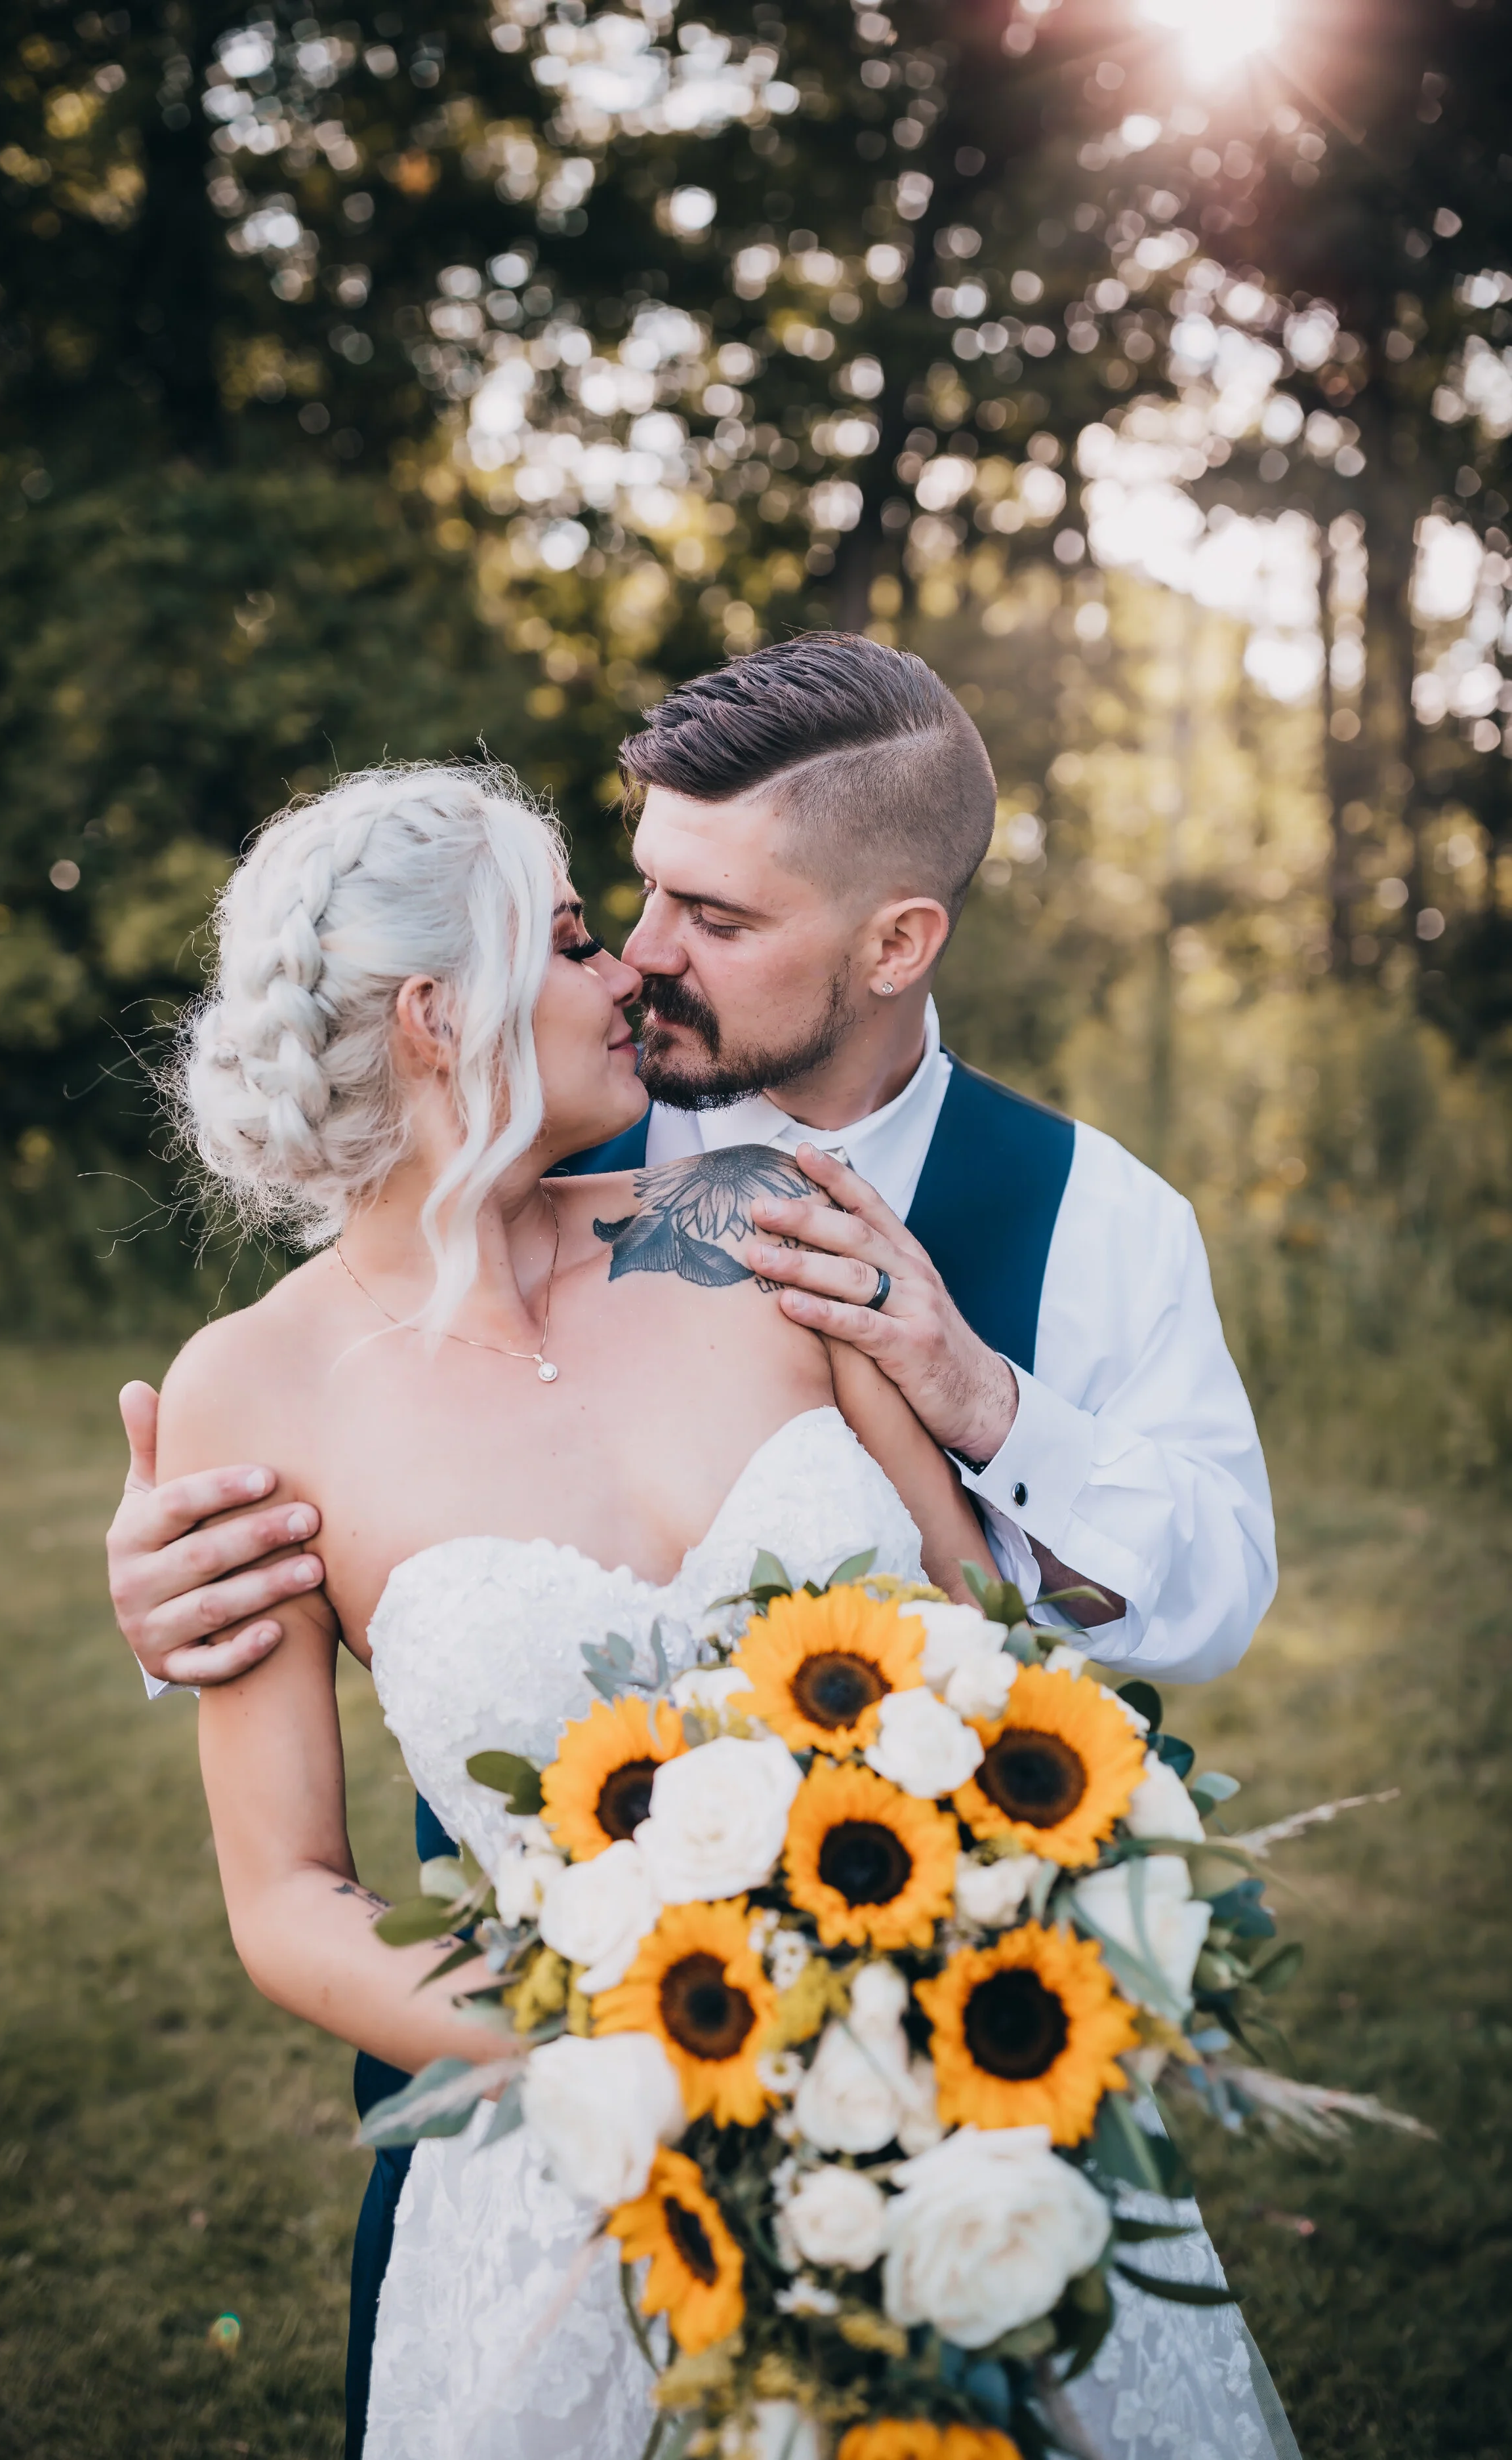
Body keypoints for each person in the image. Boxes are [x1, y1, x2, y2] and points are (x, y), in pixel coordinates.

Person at [110, 637, 1279, 2452]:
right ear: (438, 1016)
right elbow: (285, 1860)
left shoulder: (829, 1225)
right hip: (547, 2121)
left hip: (935, 2067)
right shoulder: (266, 1375)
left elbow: (1038, 1638)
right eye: (609, 909)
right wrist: (168, 1604)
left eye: (695, 914)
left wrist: (975, 1387)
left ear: (892, 941)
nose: (640, 953)